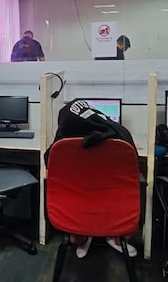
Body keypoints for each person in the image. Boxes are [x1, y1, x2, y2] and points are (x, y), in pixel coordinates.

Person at [45, 98, 139, 258]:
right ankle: (115, 239)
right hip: (114, 208)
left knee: (74, 238)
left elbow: (49, 164)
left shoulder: (62, 147)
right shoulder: (122, 140)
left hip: (75, 208)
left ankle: (83, 236)